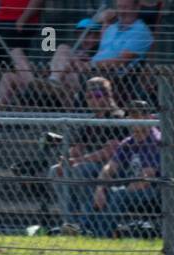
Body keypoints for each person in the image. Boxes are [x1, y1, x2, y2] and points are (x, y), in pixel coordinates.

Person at [50, 76, 125, 232]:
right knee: (55, 170)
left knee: (81, 169)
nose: (92, 100)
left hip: (114, 165)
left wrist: (79, 160)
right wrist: (66, 159)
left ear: (108, 96)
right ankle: (70, 223)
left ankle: (85, 223)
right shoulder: (92, 121)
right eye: (89, 97)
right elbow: (78, 147)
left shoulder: (116, 117)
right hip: (90, 162)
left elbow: (110, 151)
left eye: (97, 95)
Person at [87, 100, 160, 237]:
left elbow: (145, 180)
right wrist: (100, 189)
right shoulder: (128, 142)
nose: (133, 120)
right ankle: (82, 231)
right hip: (131, 186)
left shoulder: (155, 140)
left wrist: (119, 190)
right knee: (99, 190)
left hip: (154, 190)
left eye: (137, 115)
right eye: (130, 116)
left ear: (149, 118)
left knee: (117, 194)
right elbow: (109, 168)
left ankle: (101, 236)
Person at [0, 0, 42, 110]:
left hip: (19, 20)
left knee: (15, 62)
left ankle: (30, 97)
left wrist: (23, 19)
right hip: (0, 19)